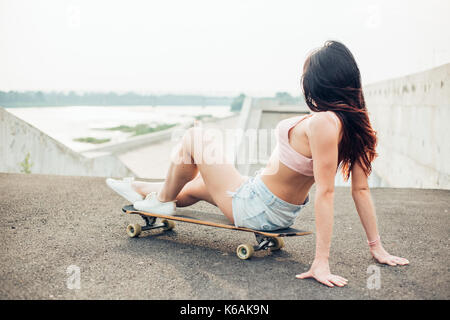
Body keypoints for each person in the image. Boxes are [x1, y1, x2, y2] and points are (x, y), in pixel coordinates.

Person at [106, 40, 409, 287]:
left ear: (319, 83)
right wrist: (376, 248)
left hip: (256, 205)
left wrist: (321, 261)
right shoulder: (356, 125)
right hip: (266, 204)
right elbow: (361, 191)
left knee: (196, 138)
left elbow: (327, 193)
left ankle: (159, 200)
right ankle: (139, 189)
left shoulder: (323, 122)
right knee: (195, 184)